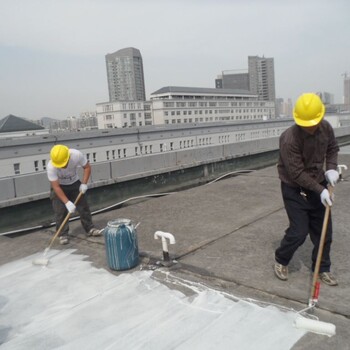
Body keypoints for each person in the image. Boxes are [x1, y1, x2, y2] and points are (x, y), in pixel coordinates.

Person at [274, 93, 340, 286]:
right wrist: (321, 191)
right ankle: (281, 259)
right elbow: (296, 173)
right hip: (294, 188)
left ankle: (322, 268)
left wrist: (331, 169)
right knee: (299, 232)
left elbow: (333, 148)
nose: (310, 126)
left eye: (313, 122)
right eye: (306, 123)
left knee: (324, 232)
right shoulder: (289, 139)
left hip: (318, 184)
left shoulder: (325, 127)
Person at [47, 144, 102, 245]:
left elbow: (87, 167)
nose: (62, 166)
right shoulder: (51, 166)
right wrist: (67, 202)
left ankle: (89, 228)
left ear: (68, 157)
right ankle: (63, 234)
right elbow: (56, 187)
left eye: (64, 163)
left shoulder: (76, 155)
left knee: (83, 207)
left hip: (74, 183)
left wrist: (84, 184)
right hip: (60, 186)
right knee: (60, 211)